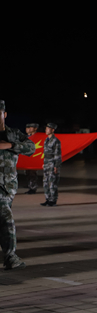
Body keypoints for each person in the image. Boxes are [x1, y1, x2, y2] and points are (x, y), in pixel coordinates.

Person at [0, 100, 35, 270]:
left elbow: (31, 148)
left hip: (8, 187)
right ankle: (10, 257)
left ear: (4, 114)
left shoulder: (13, 134)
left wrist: (10, 145)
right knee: (6, 218)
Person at [41, 123, 61, 207]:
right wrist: (44, 163)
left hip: (52, 164)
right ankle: (48, 199)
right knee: (45, 182)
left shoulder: (55, 141)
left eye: (48, 128)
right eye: (46, 128)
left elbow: (57, 154)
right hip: (47, 164)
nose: (46, 130)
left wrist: (56, 166)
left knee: (52, 183)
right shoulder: (46, 140)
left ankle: (53, 200)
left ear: (53, 130)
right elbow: (45, 154)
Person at [24, 123, 39, 194]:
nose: (28, 129)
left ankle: (33, 188)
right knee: (27, 173)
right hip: (27, 158)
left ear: (35, 128)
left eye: (30, 127)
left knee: (32, 173)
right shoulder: (25, 137)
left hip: (34, 158)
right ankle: (30, 185)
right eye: (27, 127)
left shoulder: (38, 137)